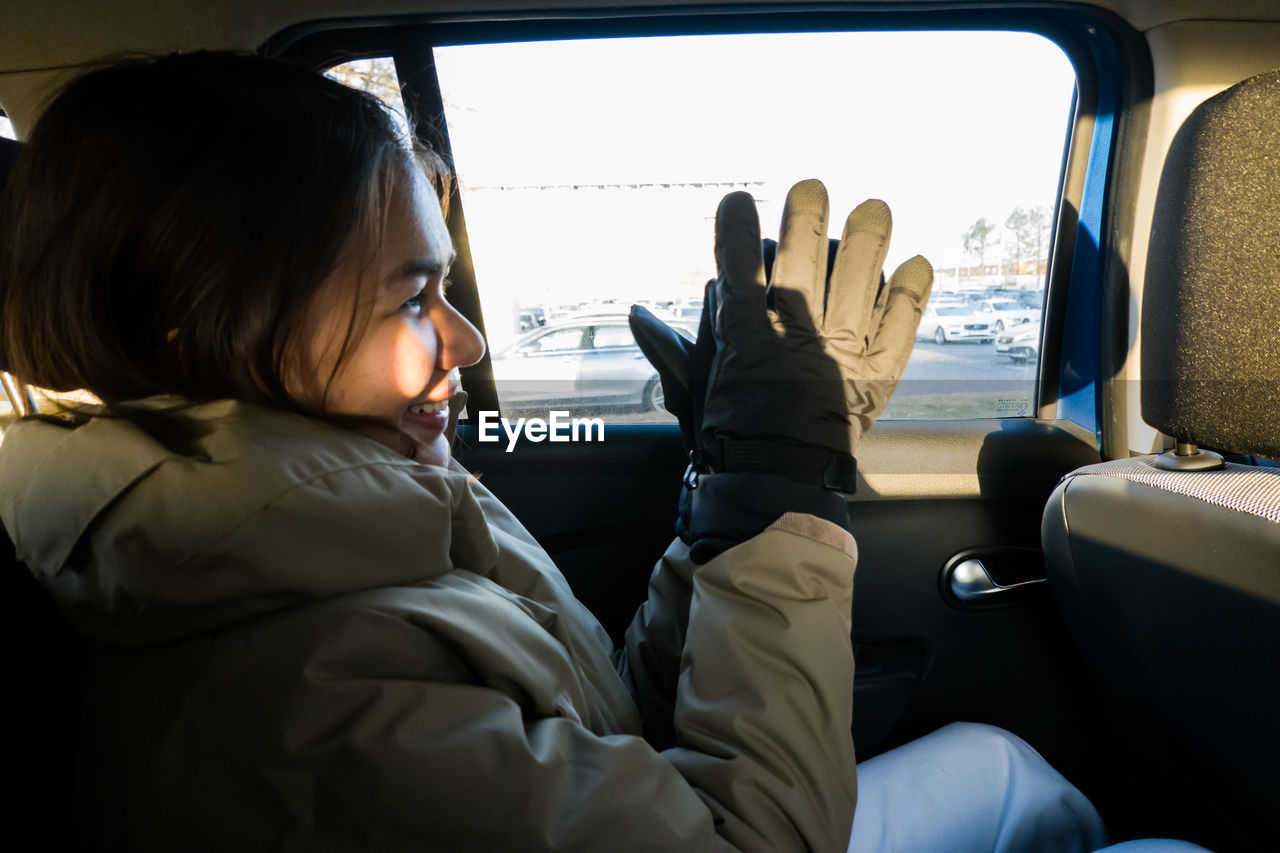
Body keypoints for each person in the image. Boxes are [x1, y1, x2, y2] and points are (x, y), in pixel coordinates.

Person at [0, 51, 1125, 852]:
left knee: (1002, 768)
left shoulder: (361, 508)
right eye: (411, 298)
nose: (468, 340)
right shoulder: (292, 705)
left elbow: (607, 729)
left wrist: (730, 499)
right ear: (203, 331)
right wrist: (787, 494)